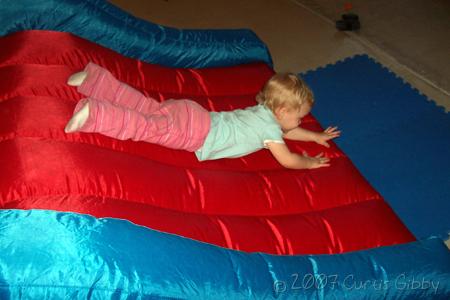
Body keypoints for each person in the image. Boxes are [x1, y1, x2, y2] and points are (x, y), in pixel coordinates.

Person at [65, 62, 340, 169]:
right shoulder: (271, 130)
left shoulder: (266, 112)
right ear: (282, 111)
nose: (300, 122)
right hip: (196, 133)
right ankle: (97, 114)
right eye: (300, 116)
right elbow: (288, 159)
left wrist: (314, 136)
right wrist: (309, 163)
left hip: (194, 113)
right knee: (147, 126)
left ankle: (95, 79)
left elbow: (288, 130)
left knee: (145, 105)